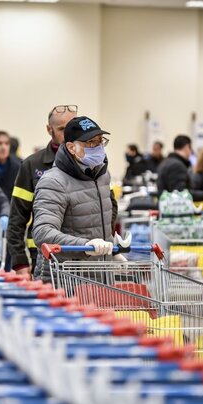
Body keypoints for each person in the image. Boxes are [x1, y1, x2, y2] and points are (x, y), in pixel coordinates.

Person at [32, 116, 121, 282]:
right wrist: (85, 246)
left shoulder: (102, 176)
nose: (97, 147)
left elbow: (98, 226)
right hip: (63, 280)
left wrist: (112, 253)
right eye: (90, 143)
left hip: (100, 278)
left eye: (100, 141)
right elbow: (42, 232)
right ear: (71, 147)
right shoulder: (54, 182)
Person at [7, 104, 78, 276]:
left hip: (84, 257)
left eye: (72, 128)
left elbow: (107, 208)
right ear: (49, 129)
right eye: (61, 129)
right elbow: (17, 218)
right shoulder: (32, 165)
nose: (68, 134)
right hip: (42, 257)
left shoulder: (90, 162)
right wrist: (19, 262)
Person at [156, 135, 203, 202]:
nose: (191, 152)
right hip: (173, 209)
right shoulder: (177, 166)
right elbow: (180, 194)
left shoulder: (165, 162)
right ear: (187, 147)